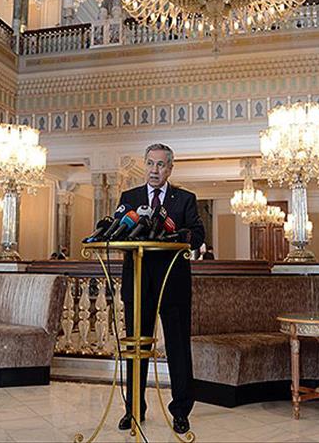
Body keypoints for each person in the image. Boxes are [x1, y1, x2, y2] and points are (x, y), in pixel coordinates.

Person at [116, 143, 204, 435]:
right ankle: (133, 409)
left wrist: (175, 233)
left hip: (173, 283)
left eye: (161, 165)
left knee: (178, 348)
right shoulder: (130, 198)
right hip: (138, 281)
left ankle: (180, 411)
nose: (154, 170)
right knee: (136, 347)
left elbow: (197, 235)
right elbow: (119, 231)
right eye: (150, 163)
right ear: (145, 165)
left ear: (170, 168)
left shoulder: (185, 199)